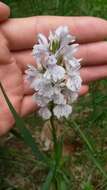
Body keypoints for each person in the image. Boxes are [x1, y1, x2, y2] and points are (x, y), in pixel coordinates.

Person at [0, 2, 107, 136]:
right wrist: (44, 68)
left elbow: (69, 69)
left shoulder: (67, 60)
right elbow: (40, 69)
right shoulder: (45, 57)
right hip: (46, 82)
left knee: (62, 94)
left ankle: (58, 119)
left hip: (61, 82)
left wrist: (66, 68)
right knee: (45, 93)